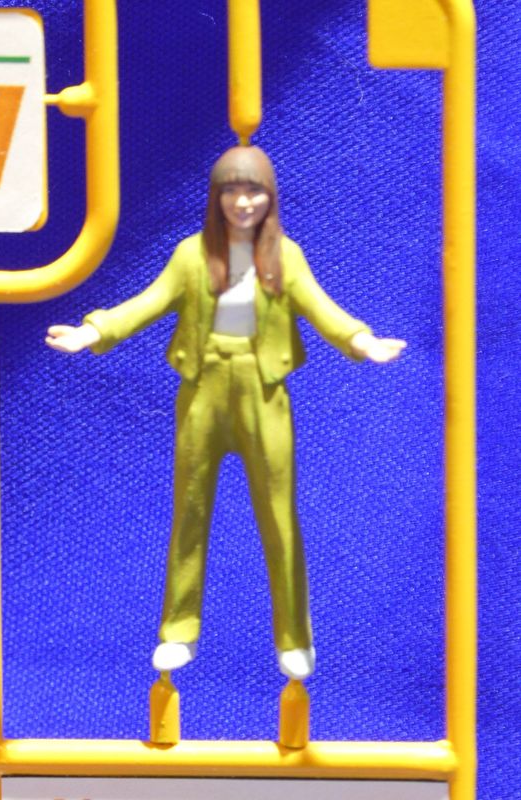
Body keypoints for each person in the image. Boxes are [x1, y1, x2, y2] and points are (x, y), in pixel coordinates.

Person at [46, 146, 406, 680]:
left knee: (280, 518)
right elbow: (148, 302)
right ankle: (178, 630)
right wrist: (94, 331)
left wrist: (361, 340)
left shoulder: (286, 257)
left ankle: (294, 638)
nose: (242, 202)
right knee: (189, 512)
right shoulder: (191, 255)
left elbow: (320, 307)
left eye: (253, 190)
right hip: (203, 391)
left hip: (264, 393)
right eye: (231, 191)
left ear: (269, 197)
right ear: (215, 198)